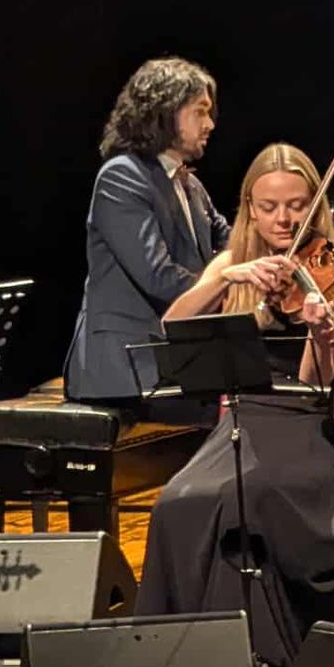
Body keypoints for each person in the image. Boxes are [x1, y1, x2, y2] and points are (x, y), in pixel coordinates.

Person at [136, 142, 334, 667]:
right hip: (240, 421)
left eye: (295, 204)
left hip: (304, 431)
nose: (283, 219)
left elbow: (319, 383)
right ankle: (189, 661)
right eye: (269, 207)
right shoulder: (231, 262)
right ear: (249, 208)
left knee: (249, 501)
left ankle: (265, 659)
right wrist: (226, 279)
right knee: (178, 501)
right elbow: (174, 326)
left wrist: (319, 328)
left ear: (315, 203)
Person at [63, 56, 231, 408]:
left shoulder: (191, 186)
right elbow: (159, 277)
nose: (210, 124)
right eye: (200, 111)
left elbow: (233, 243)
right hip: (127, 369)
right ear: (165, 110)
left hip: (176, 361)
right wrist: (227, 286)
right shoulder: (122, 176)